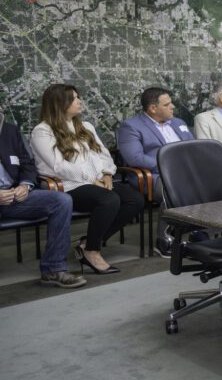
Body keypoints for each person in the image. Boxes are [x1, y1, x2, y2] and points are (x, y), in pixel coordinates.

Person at [30, 83, 144, 275]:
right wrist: (92, 180)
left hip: (96, 182)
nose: (79, 101)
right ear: (59, 103)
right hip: (66, 186)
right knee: (109, 199)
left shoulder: (85, 126)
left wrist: (107, 173)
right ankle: (92, 251)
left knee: (135, 199)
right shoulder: (42, 131)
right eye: (74, 99)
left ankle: (87, 243)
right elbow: (59, 166)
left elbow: (104, 154)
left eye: (78, 97)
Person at [0, 110, 79, 288]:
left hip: (13, 195)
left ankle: (53, 269)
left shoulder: (9, 130)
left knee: (62, 201)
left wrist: (25, 185)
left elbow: (27, 163)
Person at [116, 86, 195, 256]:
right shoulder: (131, 126)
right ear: (153, 108)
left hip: (186, 173)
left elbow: (193, 147)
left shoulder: (178, 123)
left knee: (212, 182)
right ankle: (164, 239)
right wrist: (170, 167)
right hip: (154, 175)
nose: (173, 106)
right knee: (175, 188)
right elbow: (135, 158)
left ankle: (197, 231)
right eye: (167, 104)